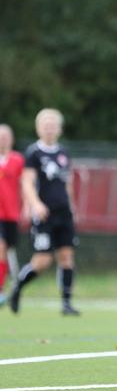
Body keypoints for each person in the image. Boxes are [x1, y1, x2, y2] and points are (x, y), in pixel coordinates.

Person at [10, 109, 80, 315]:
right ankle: (18, 286)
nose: (49, 128)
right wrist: (35, 204)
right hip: (44, 215)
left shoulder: (63, 152)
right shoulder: (34, 153)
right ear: (39, 128)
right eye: (45, 125)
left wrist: (72, 206)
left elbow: (67, 182)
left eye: (53, 125)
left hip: (64, 213)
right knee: (42, 261)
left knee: (67, 257)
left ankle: (66, 303)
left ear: (59, 129)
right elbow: (27, 182)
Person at [0, 124, 25, 307]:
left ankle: (11, 286)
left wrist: (27, 207)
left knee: (8, 251)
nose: (2, 140)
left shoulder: (18, 160)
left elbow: (24, 185)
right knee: (0, 247)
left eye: (5, 136)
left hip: (12, 214)